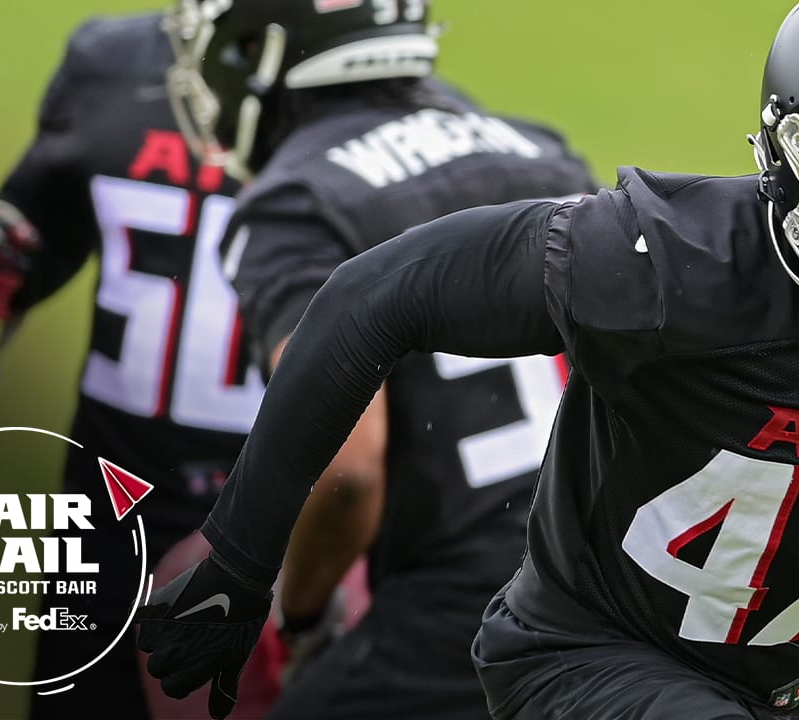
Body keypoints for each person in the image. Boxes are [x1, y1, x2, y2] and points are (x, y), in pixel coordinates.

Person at [135, 1, 799, 718]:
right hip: (582, 655)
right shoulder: (662, 261)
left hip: (779, 691)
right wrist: (239, 553)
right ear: (793, 163)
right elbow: (375, 293)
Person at [150, 1, 595, 718]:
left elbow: (348, 469)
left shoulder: (299, 198)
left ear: (264, 48)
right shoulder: (540, 150)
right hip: (612, 583)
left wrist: (300, 615)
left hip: (471, 611)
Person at [0, 9, 295, 719]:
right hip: (114, 508)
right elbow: (31, 244)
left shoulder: (364, 90)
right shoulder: (114, 59)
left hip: (295, 528)